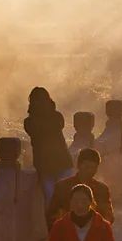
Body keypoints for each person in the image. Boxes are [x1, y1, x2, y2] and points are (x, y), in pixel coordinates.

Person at [24, 87, 75, 216]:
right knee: (53, 201)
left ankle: (64, 230)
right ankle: (56, 231)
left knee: (61, 200)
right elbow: (43, 131)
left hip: (59, 164)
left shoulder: (55, 117)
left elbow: (46, 130)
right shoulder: (31, 122)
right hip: (49, 166)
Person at [46, 147, 115, 230]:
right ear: (78, 165)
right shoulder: (62, 187)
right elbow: (52, 216)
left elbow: (109, 217)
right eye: (87, 167)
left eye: (93, 168)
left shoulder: (102, 189)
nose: (90, 171)